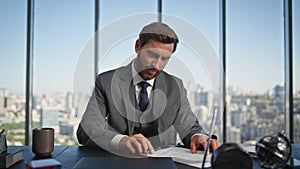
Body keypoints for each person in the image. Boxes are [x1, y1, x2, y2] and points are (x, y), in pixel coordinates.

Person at [77, 22, 220, 155]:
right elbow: (87, 130)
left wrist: (198, 136)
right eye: (152, 55)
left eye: (164, 59)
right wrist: (120, 140)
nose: (156, 65)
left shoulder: (175, 86)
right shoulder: (106, 81)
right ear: (138, 46)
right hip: (116, 161)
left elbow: (189, 127)